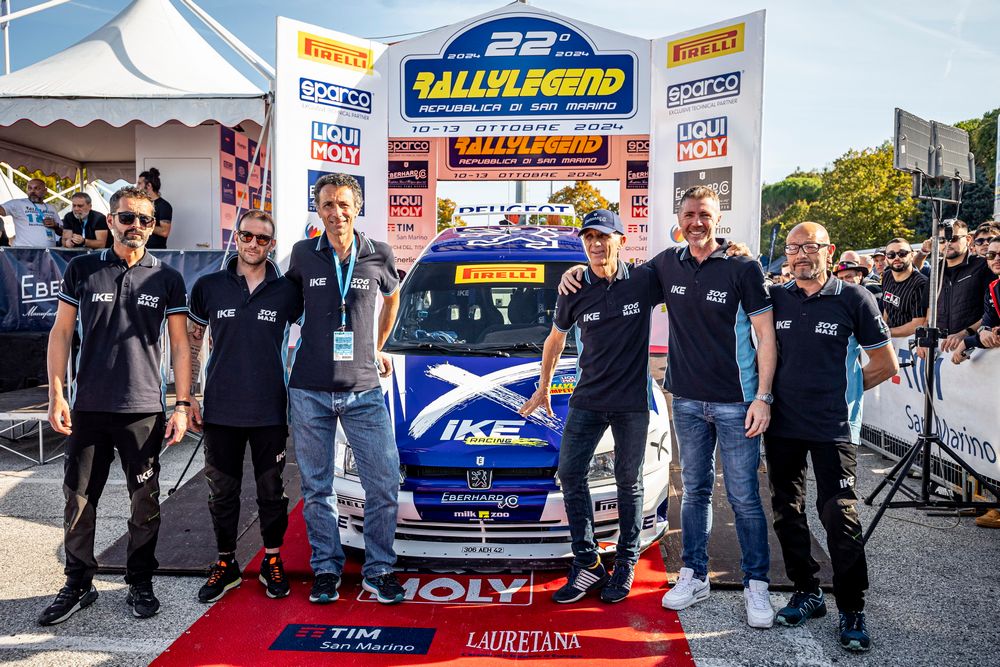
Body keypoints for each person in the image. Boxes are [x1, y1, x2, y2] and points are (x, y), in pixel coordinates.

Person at [562, 186, 778, 628]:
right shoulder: (665, 265)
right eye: (689, 215)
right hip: (688, 399)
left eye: (705, 215)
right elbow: (609, 271)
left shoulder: (742, 266)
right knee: (694, 492)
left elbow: (766, 335)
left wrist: (763, 397)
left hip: (738, 401)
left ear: (717, 219)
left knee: (743, 496)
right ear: (679, 220)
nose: (696, 223)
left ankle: (757, 584)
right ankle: (694, 575)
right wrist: (577, 270)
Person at [40, 185, 191, 625]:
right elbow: (61, 333)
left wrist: (182, 404)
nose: (136, 226)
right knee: (79, 500)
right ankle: (78, 583)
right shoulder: (83, 269)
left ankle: (139, 581)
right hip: (88, 407)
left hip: (143, 409)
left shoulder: (167, 277)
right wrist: (56, 394)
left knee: (144, 502)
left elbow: (181, 345)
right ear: (110, 221)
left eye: (145, 220)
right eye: (127, 218)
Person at [518, 210, 662, 605]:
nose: (596, 244)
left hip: (631, 403)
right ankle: (588, 562)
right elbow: (555, 339)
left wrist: (732, 250)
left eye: (603, 237)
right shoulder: (575, 286)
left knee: (628, 482)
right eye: (589, 238)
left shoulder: (645, 280)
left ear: (621, 240)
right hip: (588, 400)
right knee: (569, 472)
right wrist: (544, 387)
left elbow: (690, 267)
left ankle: (626, 561)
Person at [766, 221, 897, 653]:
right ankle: (807, 590)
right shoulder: (776, 297)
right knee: (787, 512)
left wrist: (845, 395)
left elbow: (886, 364)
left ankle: (852, 607)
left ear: (830, 250)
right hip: (783, 425)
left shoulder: (855, 297)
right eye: (793, 248)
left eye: (810, 247)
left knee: (839, 515)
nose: (800, 255)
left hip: (833, 428)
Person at [285, 173, 405, 605]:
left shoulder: (378, 253)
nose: (336, 213)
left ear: (358, 207)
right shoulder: (303, 254)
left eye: (343, 204)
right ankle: (326, 568)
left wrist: (378, 346)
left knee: (383, 483)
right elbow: (286, 307)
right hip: (309, 389)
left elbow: (392, 297)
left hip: (363, 389)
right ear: (318, 210)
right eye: (328, 205)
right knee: (317, 488)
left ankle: (379, 569)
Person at [186, 209, 303, 603]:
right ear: (236, 238)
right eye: (247, 236)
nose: (254, 244)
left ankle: (272, 559)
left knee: (271, 491)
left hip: (270, 409)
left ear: (273, 244)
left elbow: (319, 332)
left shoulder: (288, 290)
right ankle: (226, 564)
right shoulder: (208, 286)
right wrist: (188, 397)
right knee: (223, 492)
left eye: (262, 238)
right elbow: (192, 342)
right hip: (221, 409)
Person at [951, 239, 1000, 529]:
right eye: (990, 254)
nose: (994, 258)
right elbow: (988, 324)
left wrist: (973, 339)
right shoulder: (994, 286)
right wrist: (975, 338)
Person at [916, 220, 994, 357]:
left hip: (976, 352)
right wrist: (924, 338)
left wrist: (965, 333)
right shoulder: (936, 270)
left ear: (968, 240)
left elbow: (992, 312)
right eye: (942, 240)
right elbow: (929, 313)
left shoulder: (983, 266)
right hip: (941, 351)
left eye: (953, 238)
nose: (947, 243)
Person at [879, 238, 928, 338]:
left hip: (911, 340)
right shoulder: (887, 276)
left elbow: (917, 325)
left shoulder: (921, 284)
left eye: (902, 253)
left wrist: (885, 332)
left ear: (912, 255)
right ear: (886, 258)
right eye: (891, 255)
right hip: (890, 336)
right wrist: (884, 329)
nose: (896, 258)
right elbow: (887, 307)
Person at [0, 177, 62, 247]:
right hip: (24, 251)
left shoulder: (51, 208)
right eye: (30, 188)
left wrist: (56, 226)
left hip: (48, 251)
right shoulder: (18, 204)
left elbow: (63, 232)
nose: (32, 191)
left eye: (37, 188)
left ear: (45, 191)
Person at [138, 168, 173, 249]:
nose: (137, 187)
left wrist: (144, 224)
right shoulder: (140, 204)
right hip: (139, 251)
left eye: (139, 184)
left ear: (149, 186)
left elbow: (164, 232)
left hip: (156, 252)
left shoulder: (164, 205)